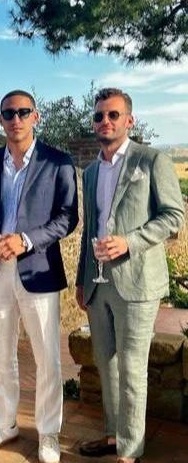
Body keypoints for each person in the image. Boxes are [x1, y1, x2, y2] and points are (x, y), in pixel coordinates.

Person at [76, 88, 184, 463]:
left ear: (129, 120)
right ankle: (113, 436)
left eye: (113, 115)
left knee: (132, 368)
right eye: (99, 116)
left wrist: (130, 242)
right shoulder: (91, 172)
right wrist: (81, 280)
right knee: (105, 364)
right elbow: (89, 228)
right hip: (98, 283)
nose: (105, 121)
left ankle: (130, 451)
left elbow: (173, 216)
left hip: (137, 283)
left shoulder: (151, 160)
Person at [0, 90, 78, 463]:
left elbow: (68, 217)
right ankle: (4, 424)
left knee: (47, 357)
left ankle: (48, 433)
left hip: (39, 270)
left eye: (23, 112)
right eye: (8, 113)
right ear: (0, 119)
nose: (16, 119)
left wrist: (27, 240)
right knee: (0, 354)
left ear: (36, 116)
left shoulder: (57, 162)